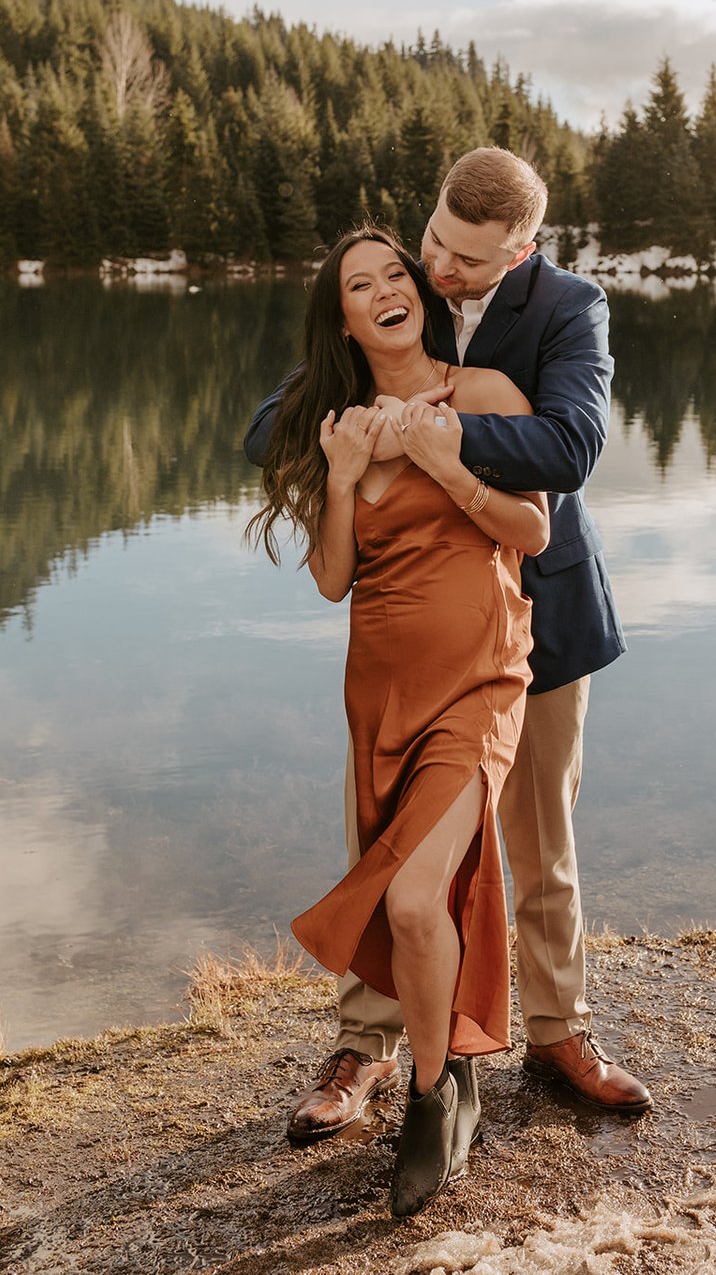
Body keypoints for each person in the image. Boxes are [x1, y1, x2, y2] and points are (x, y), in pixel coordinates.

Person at [244, 147, 652, 1144]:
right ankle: (366, 1045)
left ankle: (557, 1034)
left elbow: (570, 447)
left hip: (538, 615)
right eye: (434, 241)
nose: (440, 270)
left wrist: (436, 433)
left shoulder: (569, 310)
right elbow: (272, 427)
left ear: (522, 248)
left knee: (540, 841)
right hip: (408, 636)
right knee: (387, 842)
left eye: (466, 259)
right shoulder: (400, 284)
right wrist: (363, 429)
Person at [248, 225, 550, 1217]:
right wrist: (340, 473)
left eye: (394, 274)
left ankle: (431, 1100)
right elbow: (336, 578)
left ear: (419, 290)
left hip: (478, 680)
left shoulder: (486, 396)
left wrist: (445, 458)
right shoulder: (339, 422)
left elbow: (531, 529)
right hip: (381, 694)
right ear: (341, 317)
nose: (383, 290)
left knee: (417, 901)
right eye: (357, 284)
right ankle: (443, 1076)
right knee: (407, 905)